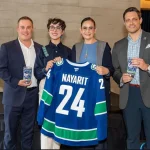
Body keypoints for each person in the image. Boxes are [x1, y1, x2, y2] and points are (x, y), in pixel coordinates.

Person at [61, 17, 114, 150]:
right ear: (80, 30)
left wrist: (105, 70)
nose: (87, 31)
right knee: (83, 128)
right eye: (85, 28)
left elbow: (111, 69)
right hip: (81, 98)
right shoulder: (76, 47)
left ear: (95, 30)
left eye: (90, 28)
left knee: (99, 129)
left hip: (98, 96)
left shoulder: (103, 46)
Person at [0, 16, 42, 149]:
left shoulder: (40, 48)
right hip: (13, 95)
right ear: (18, 29)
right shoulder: (7, 47)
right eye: (22, 27)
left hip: (32, 96)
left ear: (32, 29)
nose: (25, 30)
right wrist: (17, 81)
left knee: (28, 133)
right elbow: (2, 70)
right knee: (10, 134)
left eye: (28, 27)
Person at [112, 7, 150, 149]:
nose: (131, 22)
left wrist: (147, 67)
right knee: (132, 138)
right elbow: (114, 70)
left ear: (140, 20)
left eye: (134, 19)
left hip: (148, 93)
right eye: (128, 20)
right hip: (129, 96)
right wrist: (121, 78)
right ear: (124, 23)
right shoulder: (118, 45)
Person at [34, 18, 75, 149]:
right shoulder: (42, 50)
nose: (55, 30)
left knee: (59, 121)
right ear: (48, 30)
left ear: (62, 32)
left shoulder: (68, 51)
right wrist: (46, 68)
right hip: (46, 88)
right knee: (46, 121)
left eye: (58, 28)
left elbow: (74, 73)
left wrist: (64, 64)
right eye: (52, 27)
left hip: (63, 90)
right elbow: (37, 73)